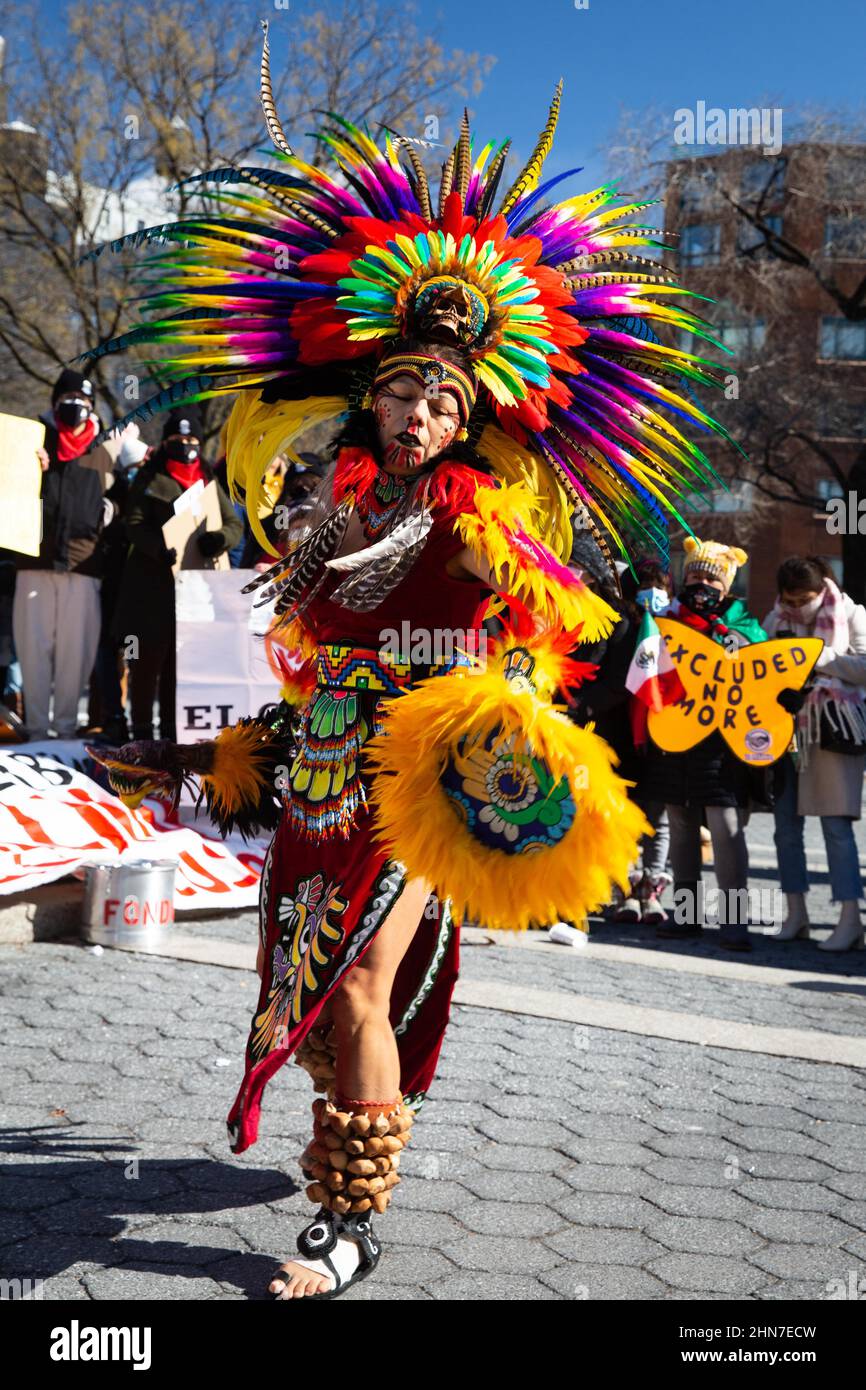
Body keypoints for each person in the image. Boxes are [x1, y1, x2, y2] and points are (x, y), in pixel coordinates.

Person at [86, 38, 738, 1301]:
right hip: (322, 772)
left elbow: (544, 636)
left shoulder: (478, 516)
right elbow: (310, 635)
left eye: (442, 400)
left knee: (358, 989)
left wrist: (509, 692)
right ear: (371, 397)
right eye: (400, 392)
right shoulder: (322, 504)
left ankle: (345, 1226)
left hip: (424, 775)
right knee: (313, 984)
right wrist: (226, 748)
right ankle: (352, 1110)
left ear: (470, 415)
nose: (417, 413)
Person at [645, 538, 767, 950]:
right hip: (675, 738)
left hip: (721, 744)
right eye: (694, 575)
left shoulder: (743, 626)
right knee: (680, 827)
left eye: (710, 579)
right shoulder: (664, 620)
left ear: (726, 587)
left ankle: (734, 922)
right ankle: (686, 913)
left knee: (725, 829)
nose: (700, 584)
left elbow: (764, 672)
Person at [113, 408, 242, 742]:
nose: (184, 445)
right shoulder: (149, 477)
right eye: (176, 439)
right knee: (144, 664)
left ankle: (171, 734)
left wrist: (218, 540)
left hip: (190, 592)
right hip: (149, 588)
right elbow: (133, 524)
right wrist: (158, 548)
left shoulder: (208, 479)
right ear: (165, 441)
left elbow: (234, 524)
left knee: (176, 666)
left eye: (190, 439)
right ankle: (140, 733)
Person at [763, 556, 866, 952]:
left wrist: (818, 658)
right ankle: (796, 913)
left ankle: (849, 918)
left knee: (836, 830)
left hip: (834, 732)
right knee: (785, 828)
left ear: (822, 588)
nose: (796, 607)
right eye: (788, 600)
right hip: (786, 733)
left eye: (803, 599)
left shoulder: (851, 613)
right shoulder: (775, 621)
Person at [12, 368, 117, 739]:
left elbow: (120, 501)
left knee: (77, 652)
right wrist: (32, 468)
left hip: (83, 565)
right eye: (69, 400)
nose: (76, 407)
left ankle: (67, 728)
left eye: (84, 402)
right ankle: (38, 728)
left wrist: (107, 513)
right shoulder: (33, 440)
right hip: (35, 562)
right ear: (55, 403)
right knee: (34, 649)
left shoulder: (104, 450)